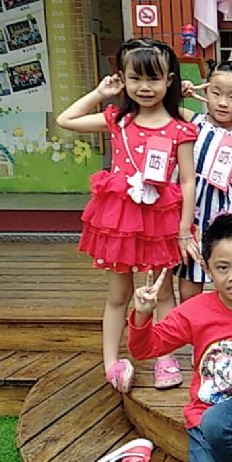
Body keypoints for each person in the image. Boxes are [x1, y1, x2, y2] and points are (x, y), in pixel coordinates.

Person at [83, 214, 232, 462]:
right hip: (205, 420)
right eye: (222, 268)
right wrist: (142, 315)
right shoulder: (197, 310)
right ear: (207, 268)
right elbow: (145, 349)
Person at [57, 38, 198, 392]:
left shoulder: (180, 128)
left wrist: (184, 230)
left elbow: (187, 181)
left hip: (161, 219)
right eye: (135, 78)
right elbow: (65, 119)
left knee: (162, 293)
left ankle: (165, 357)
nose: (144, 87)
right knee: (119, 295)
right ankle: (111, 362)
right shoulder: (117, 121)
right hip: (119, 221)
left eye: (154, 78)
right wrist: (99, 93)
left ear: (169, 80)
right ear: (122, 79)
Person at [176, 61, 232, 307]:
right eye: (215, 93)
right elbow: (161, 105)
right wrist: (178, 92)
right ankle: (193, 327)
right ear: (205, 91)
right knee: (189, 281)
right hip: (189, 208)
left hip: (222, 209)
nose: (223, 102)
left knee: (229, 271)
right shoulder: (191, 120)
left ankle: (228, 322)